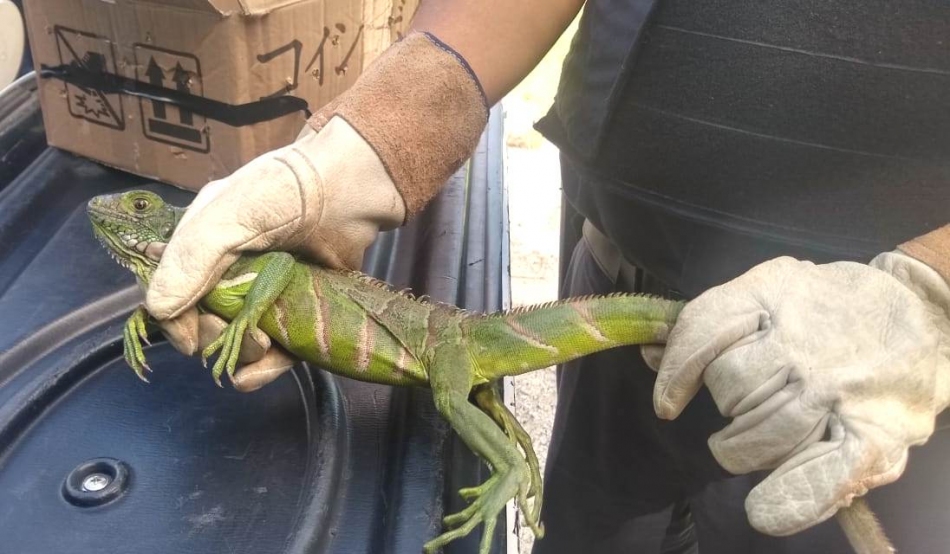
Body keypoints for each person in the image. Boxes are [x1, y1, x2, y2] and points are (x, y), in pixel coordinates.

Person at [143, 1, 950, 552]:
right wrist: (379, 134)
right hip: (614, 273)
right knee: (587, 530)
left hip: (870, 376)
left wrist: (927, 291)